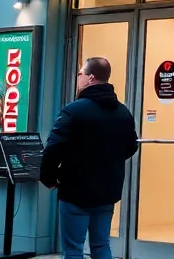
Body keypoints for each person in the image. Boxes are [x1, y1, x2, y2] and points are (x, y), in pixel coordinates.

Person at [41, 57, 139, 259]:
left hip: (75, 191)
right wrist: (109, 161)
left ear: (91, 77)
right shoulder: (123, 112)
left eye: (80, 74)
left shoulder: (73, 111)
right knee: (101, 245)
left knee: (73, 249)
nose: (78, 77)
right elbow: (131, 146)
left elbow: (53, 149)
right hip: (107, 190)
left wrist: (49, 178)